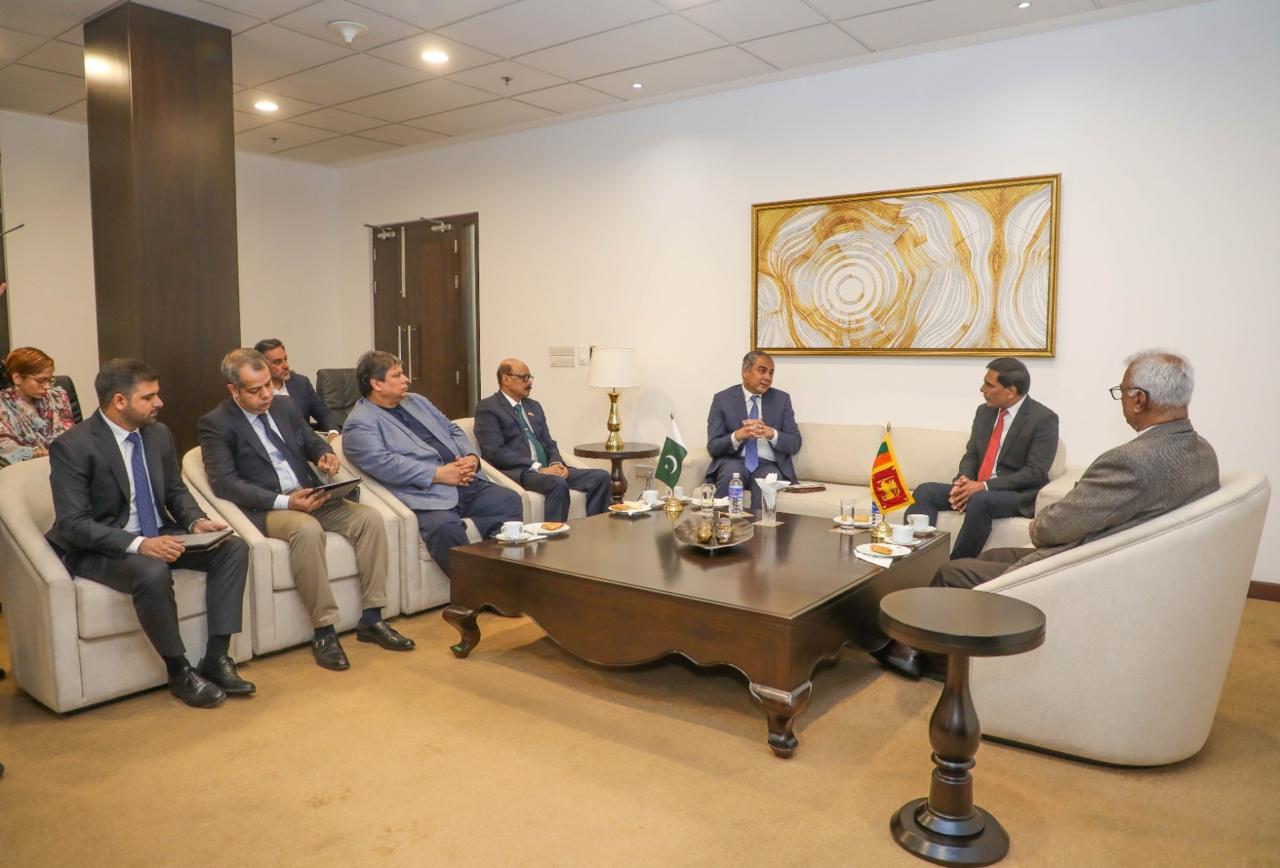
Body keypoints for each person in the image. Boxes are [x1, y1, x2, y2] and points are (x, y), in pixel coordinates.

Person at [877, 350, 1219, 680]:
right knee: (985, 550)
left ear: (1139, 399)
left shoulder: (1129, 459)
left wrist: (987, 490)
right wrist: (965, 482)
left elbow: (1048, 526)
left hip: (1077, 564)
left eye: (1122, 391)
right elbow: (972, 454)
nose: (1122, 401)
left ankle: (924, 657)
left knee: (951, 571)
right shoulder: (1202, 452)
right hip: (1115, 560)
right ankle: (913, 574)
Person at [46, 359, 252, 708]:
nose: (160, 402)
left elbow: (175, 491)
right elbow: (73, 523)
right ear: (119, 401)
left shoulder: (158, 434)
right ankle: (179, 671)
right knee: (152, 571)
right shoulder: (73, 446)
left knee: (233, 548)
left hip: (161, 533)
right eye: (149, 397)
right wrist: (140, 544)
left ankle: (217, 657)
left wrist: (196, 523)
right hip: (103, 547)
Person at [198, 348, 412, 671]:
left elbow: (311, 440)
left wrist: (324, 454)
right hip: (268, 507)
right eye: (255, 390)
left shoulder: (284, 406)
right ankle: (324, 631)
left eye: (268, 385)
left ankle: (372, 617)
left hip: (310, 495)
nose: (266, 394)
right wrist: (287, 502)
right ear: (234, 390)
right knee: (306, 529)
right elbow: (225, 484)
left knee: (369, 518)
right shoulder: (216, 423)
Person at [342, 351, 522, 577]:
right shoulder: (359, 423)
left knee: (507, 500)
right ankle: (473, 586)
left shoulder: (417, 401)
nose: (406, 379)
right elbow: (384, 463)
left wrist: (470, 458)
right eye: (397, 375)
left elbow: (452, 429)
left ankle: (503, 574)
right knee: (444, 528)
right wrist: (438, 474)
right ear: (376, 383)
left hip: (465, 482)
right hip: (427, 494)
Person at [904, 358, 1059, 560]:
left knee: (980, 500)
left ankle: (955, 566)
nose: (982, 389)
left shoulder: (1043, 419)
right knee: (925, 491)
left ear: (1010, 392)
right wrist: (963, 480)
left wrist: (983, 486)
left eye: (989, 385)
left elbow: (1035, 472)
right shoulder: (984, 412)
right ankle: (915, 559)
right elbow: (972, 454)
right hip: (977, 488)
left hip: (1014, 494)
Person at [473, 358, 610, 521]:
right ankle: (554, 534)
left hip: (548, 469)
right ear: (506, 379)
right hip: (521, 471)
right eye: (524, 377)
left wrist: (555, 463)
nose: (530, 382)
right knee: (556, 482)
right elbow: (495, 453)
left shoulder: (533, 406)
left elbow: (549, 442)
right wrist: (537, 467)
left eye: (530, 377)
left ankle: (594, 529)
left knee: (601, 477)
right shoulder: (488, 408)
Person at [704, 350, 802, 505]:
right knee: (730, 473)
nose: (767, 378)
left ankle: (760, 522)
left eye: (771, 373)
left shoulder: (781, 399)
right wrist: (738, 436)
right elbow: (713, 447)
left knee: (767, 482)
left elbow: (795, 443)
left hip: (768, 465)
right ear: (745, 371)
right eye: (762, 371)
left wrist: (772, 434)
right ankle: (721, 520)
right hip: (734, 461)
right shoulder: (722, 399)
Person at [0, 347, 76, 465]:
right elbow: (5, 448)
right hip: (23, 469)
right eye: (40, 381)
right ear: (17, 378)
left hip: (63, 464)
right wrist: (40, 453)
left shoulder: (57, 397)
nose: (47, 386)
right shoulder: (3, 404)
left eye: (50, 380)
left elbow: (70, 436)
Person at [253, 338, 341, 435]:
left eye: (285, 359)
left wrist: (333, 433)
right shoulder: (257, 391)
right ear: (262, 366)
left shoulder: (301, 383)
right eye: (277, 362)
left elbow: (324, 414)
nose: (285, 366)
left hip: (304, 441)